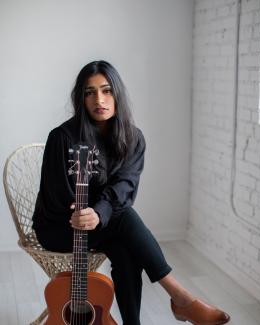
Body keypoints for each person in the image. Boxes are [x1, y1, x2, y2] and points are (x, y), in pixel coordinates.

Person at [32, 60, 230, 325]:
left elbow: (125, 187)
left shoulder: (133, 138)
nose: (98, 99)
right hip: (60, 227)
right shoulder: (62, 137)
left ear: (118, 94)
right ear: (81, 98)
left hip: (105, 225)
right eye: (89, 92)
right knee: (125, 219)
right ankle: (180, 297)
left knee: (126, 252)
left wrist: (100, 214)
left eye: (106, 90)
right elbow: (57, 198)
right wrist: (89, 213)